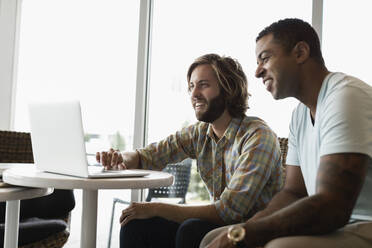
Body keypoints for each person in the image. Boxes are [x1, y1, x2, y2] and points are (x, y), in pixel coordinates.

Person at [201, 18, 372, 248]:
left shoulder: (345, 96)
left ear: (300, 52)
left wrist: (247, 234)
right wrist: (243, 229)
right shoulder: (299, 115)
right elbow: (293, 192)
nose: (258, 71)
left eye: (265, 58)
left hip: (362, 224)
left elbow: (334, 207)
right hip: (338, 226)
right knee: (213, 238)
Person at [96, 53, 283, 248]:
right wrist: (119, 158)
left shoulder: (258, 136)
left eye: (203, 85)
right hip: (217, 226)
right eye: (192, 87)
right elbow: (147, 156)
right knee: (135, 224)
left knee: (191, 229)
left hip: (252, 233)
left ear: (228, 89)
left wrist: (156, 208)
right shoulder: (199, 133)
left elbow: (228, 211)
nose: (194, 95)